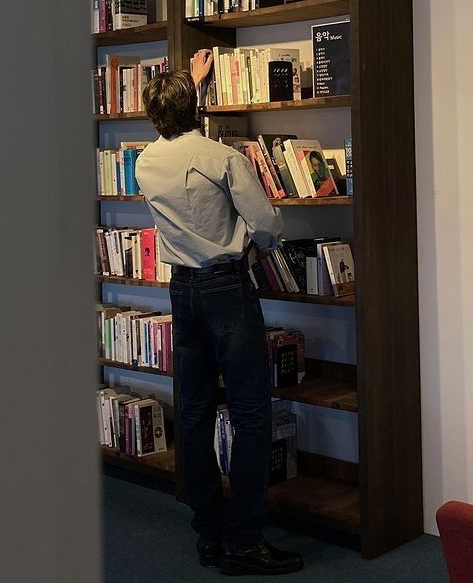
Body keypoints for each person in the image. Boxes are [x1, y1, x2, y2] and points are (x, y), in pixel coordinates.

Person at [135, 49, 304, 577]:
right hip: (227, 289)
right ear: (193, 109)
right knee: (251, 413)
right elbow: (268, 225)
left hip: (181, 292)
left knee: (195, 411)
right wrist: (255, 242)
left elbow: (184, 144)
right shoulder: (224, 158)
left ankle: (209, 535)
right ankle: (245, 539)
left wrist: (193, 85)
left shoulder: (144, 161)